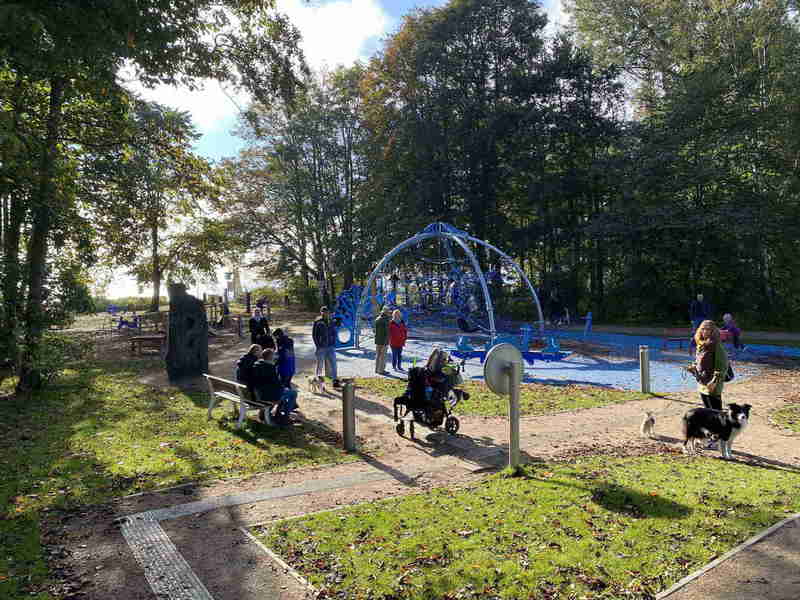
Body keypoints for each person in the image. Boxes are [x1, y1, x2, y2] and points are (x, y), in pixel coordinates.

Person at [685, 320, 729, 413]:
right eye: (703, 329)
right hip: (702, 382)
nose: (705, 331)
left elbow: (722, 365)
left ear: (713, 331)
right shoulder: (700, 344)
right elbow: (699, 361)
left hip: (712, 384)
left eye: (708, 329)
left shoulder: (716, 345)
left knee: (717, 413)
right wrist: (693, 368)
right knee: (708, 412)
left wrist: (714, 382)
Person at [252, 348, 298, 424]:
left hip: (258, 393)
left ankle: (276, 413)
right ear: (270, 357)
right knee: (293, 393)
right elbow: (276, 383)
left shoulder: (256, 365)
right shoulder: (270, 367)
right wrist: (283, 388)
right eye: (274, 355)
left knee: (284, 393)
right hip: (267, 395)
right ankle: (285, 417)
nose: (275, 356)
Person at [312, 306, 341, 388]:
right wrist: (318, 345)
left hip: (330, 346)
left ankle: (335, 381)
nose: (326, 313)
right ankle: (318, 381)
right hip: (321, 347)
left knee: (334, 364)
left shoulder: (331, 320)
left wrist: (334, 342)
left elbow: (334, 331)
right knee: (320, 365)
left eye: (327, 312)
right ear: (321, 312)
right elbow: (314, 335)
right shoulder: (317, 321)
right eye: (324, 312)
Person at [374, 306, 391, 375]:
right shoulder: (386, 320)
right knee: (383, 356)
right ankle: (381, 370)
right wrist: (386, 341)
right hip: (384, 341)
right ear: (386, 312)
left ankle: (376, 369)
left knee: (378, 355)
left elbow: (375, 331)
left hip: (378, 340)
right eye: (388, 312)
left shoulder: (377, 319)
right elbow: (387, 332)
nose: (389, 313)